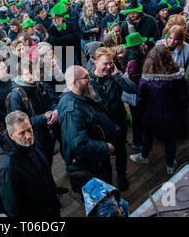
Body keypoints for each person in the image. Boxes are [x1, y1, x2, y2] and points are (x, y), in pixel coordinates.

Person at [130, 45, 189, 174]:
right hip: (173, 115)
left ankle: (144, 156)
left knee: (148, 137)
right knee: (170, 141)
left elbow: (141, 99)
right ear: (169, 59)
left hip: (151, 115)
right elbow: (184, 98)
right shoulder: (179, 77)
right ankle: (170, 165)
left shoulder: (146, 80)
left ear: (151, 59)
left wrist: (140, 115)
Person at [58, 65, 116, 195]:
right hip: (89, 167)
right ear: (74, 82)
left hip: (96, 161)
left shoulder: (81, 95)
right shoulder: (71, 110)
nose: (90, 79)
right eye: (85, 77)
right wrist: (104, 147)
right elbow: (79, 144)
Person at [89, 47, 137, 191]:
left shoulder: (115, 75)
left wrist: (117, 76)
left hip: (118, 121)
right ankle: (108, 184)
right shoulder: (88, 80)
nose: (109, 66)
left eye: (111, 63)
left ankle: (122, 177)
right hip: (100, 127)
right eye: (105, 64)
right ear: (95, 62)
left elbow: (132, 89)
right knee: (104, 158)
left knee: (121, 152)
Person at [0, 111, 61, 217]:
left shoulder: (33, 143)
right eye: (22, 133)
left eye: (29, 129)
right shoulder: (7, 167)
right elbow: (14, 208)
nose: (28, 136)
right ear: (11, 135)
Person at [123, 32, 148, 150]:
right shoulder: (133, 62)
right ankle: (138, 143)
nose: (144, 45)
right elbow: (133, 84)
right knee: (137, 119)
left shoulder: (137, 57)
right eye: (142, 43)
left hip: (140, 95)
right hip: (137, 96)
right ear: (137, 46)